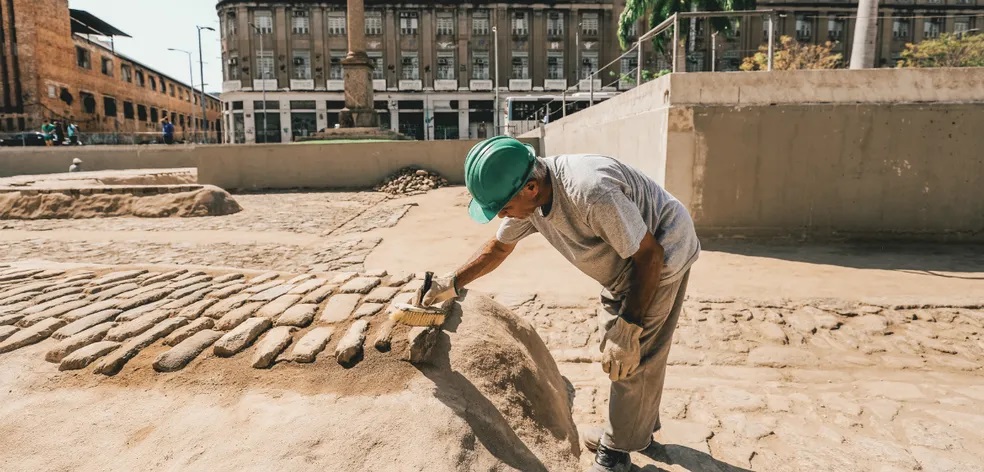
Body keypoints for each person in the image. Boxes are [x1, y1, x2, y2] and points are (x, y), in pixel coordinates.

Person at [416, 136, 700, 472]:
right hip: (627, 263)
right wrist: (451, 282)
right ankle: (635, 428)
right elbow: (498, 248)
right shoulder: (531, 199)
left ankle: (616, 451)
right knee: (624, 350)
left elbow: (650, 256)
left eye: (503, 208)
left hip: (661, 255)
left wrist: (629, 328)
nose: (501, 216)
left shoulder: (591, 193)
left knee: (629, 355)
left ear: (531, 188)